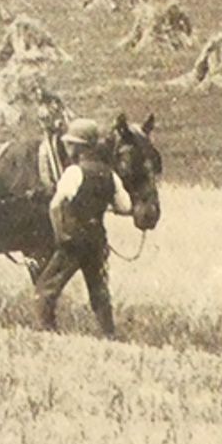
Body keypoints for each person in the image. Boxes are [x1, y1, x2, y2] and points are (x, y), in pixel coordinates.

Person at [35, 117, 132, 336]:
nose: (67, 148)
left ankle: (47, 331)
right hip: (97, 241)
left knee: (46, 287)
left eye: (70, 144)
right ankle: (108, 333)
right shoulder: (110, 175)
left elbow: (56, 205)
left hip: (73, 241)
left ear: (79, 147)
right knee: (99, 289)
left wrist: (60, 233)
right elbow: (125, 207)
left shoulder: (74, 172)